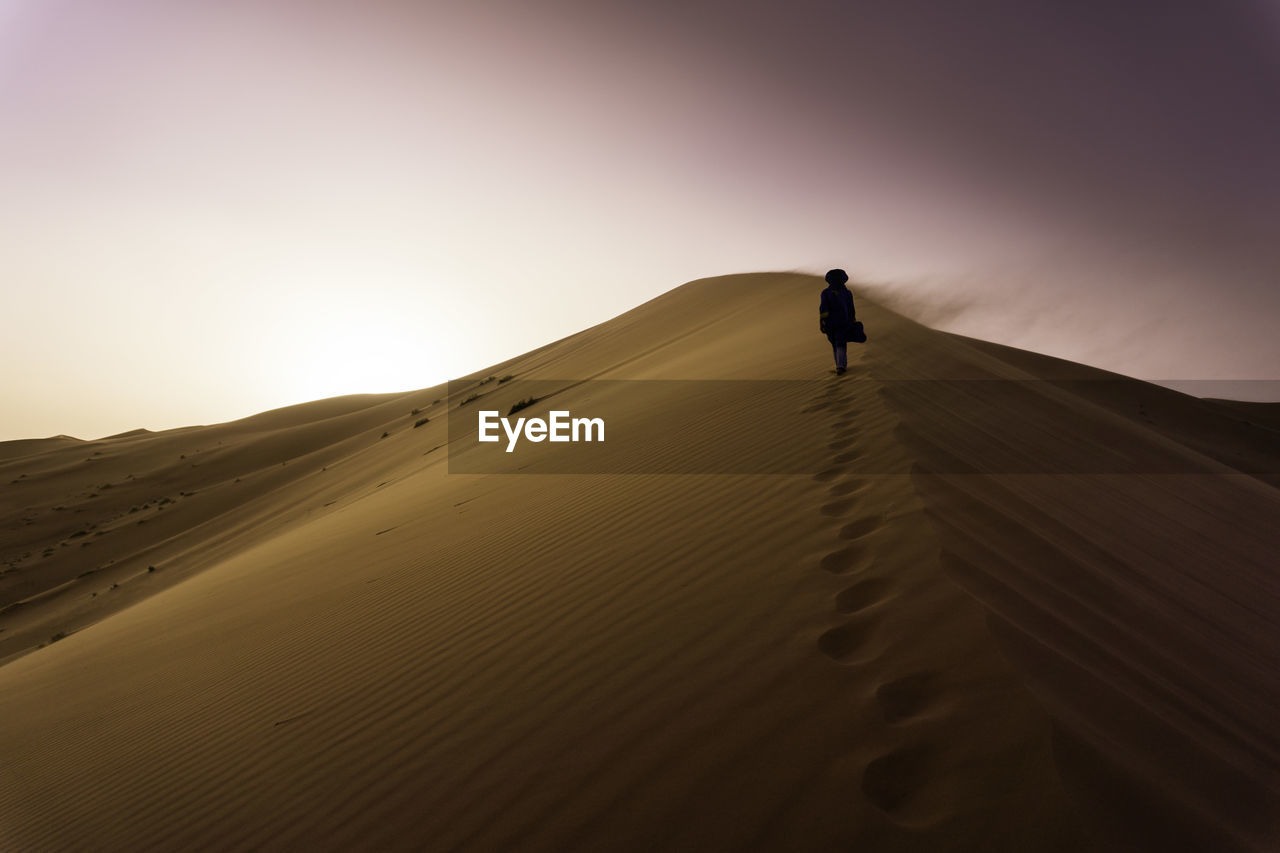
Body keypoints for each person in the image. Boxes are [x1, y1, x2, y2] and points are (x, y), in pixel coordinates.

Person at [819, 268, 857, 374]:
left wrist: (822, 322)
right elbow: (851, 309)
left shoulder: (826, 292)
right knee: (840, 343)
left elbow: (823, 308)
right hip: (843, 322)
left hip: (831, 323)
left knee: (836, 344)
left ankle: (839, 366)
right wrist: (853, 321)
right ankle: (840, 366)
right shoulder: (847, 293)